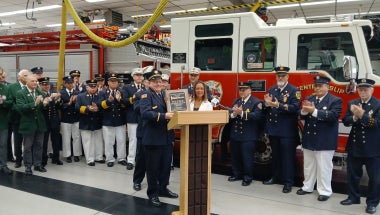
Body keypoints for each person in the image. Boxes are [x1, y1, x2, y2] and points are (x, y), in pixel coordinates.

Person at [297, 76, 342, 201]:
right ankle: (307, 187)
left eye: (320, 86)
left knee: (324, 167)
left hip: (325, 140)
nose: (318, 88)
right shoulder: (310, 99)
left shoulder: (335, 100)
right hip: (309, 138)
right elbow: (300, 114)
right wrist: (305, 111)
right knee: (308, 166)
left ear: (327, 87)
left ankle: (325, 191)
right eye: (316, 86)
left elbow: (333, 115)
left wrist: (314, 111)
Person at [341, 78, 380, 214]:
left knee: (375, 178)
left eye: (365, 89)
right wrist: (354, 118)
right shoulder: (352, 102)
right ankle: (353, 197)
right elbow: (345, 121)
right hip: (355, 145)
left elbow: (376, 124)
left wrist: (362, 115)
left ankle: (372, 203)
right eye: (360, 89)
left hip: (373, 147)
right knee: (352, 175)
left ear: (372, 90)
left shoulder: (378, 104)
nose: (362, 92)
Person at [140, 69, 178, 207]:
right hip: (153, 139)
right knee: (153, 168)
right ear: (149, 83)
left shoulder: (164, 95)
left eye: (160, 81)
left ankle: (163, 188)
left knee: (165, 166)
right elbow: (145, 113)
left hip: (166, 138)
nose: (158, 83)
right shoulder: (146, 95)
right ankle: (153, 193)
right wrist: (164, 116)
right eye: (155, 81)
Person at [262, 66, 301, 193]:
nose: (280, 78)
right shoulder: (272, 89)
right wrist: (265, 104)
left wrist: (278, 105)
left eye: (283, 76)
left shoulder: (294, 90)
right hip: (274, 130)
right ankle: (275, 177)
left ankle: (288, 182)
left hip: (287, 131)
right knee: (276, 156)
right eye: (278, 75)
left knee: (287, 157)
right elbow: (266, 107)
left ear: (288, 77)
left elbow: (295, 108)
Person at [227, 82, 262, 186]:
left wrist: (241, 113)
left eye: (244, 89)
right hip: (236, 134)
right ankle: (236, 174)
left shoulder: (256, 102)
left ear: (250, 90)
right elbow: (230, 116)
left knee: (247, 158)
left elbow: (256, 116)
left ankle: (247, 177)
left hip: (248, 136)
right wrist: (233, 114)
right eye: (240, 89)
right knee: (235, 156)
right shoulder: (236, 101)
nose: (242, 91)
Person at [16, 74, 49, 175]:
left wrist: (45, 104)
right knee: (27, 146)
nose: (35, 83)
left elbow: (44, 109)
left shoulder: (40, 92)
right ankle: (28, 166)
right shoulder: (21, 93)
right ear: (27, 82)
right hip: (28, 124)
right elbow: (21, 108)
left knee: (39, 145)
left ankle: (37, 164)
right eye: (33, 81)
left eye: (36, 81)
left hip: (40, 124)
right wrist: (35, 103)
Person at [98, 73, 127, 167]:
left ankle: (121, 158)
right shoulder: (103, 92)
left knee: (121, 140)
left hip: (120, 121)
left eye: (115, 81)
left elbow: (126, 105)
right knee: (109, 142)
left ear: (118, 83)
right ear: (108, 82)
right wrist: (108, 101)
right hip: (108, 121)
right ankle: (109, 159)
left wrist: (119, 100)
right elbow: (100, 106)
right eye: (111, 81)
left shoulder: (122, 91)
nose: (114, 83)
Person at [75, 79, 103, 166]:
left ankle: (99, 157)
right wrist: (87, 109)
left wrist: (97, 108)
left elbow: (102, 106)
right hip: (85, 121)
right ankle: (90, 159)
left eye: (95, 87)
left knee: (98, 141)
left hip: (97, 121)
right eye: (91, 87)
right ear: (87, 87)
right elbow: (77, 108)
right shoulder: (81, 96)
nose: (93, 89)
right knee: (87, 142)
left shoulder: (100, 95)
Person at [122, 67, 145, 170]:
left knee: (143, 139)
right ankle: (130, 160)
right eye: (137, 75)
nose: (139, 77)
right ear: (133, 76)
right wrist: (135, 96)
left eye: (141, 75)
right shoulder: (127, 87)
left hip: (143, 117)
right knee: (132, 139)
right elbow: (124, 101)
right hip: (132, 117)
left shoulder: (145, 87)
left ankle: (141, 160)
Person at [38, 77, 63, 166]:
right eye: (44, 84)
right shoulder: (39, 94)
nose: (47, 86)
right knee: (44, 142)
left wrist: (58, 100)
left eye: (48, 84)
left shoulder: (52, 93)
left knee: (56, 140)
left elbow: (58, 107)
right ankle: (43, 160)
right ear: (40, 85)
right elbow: (42, 108)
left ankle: (56, 158)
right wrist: (49, 100)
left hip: (54, 120)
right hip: (45, 121)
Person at [8, 69, 30, 168]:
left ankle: (28, 159)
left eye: (28, 75)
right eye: (25, 75)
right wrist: (21, 110)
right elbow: (11, 102)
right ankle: (18, 159)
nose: (27, 77)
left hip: (29, 118)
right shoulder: (12, 87)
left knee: (29, 140)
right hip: (17, 118)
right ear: (19, 77)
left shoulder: (31, 85)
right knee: (18, 139)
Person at [132, 76, 150, 191]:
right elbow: (137, 109)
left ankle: (155, 181)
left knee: (155, 159)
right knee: (141, 158)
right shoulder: (139, 94)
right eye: (150, 81)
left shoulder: (163, 94)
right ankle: (137, 181)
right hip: (143, 130)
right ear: (145, 82)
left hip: (157, 131)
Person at [60, 76, 81, 163]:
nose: (70, 84)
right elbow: (60, 106)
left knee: (76, 137)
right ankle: (67, 155)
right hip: (66, 119)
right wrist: (69, 103)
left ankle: (76, 154)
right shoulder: (61, 93)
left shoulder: (77, 92)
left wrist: (76, 102)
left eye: (71, 83)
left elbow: (80, 104)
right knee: (66, 138)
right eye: (68, 83)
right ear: (65, 84)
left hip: (76, 117)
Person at [0, 79, 13, 174]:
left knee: (3, 145)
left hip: (2, 122)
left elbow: (10, 102)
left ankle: (3, 165)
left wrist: (2, 102)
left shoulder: (6, 88)